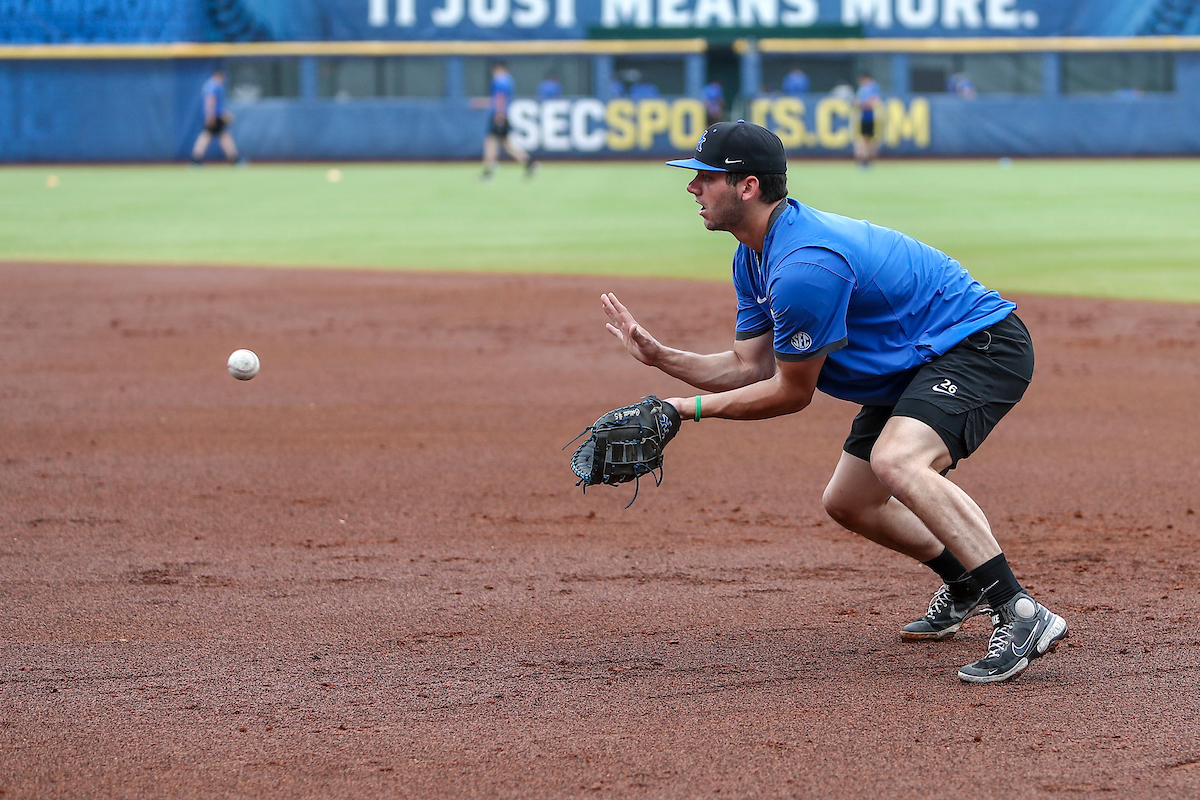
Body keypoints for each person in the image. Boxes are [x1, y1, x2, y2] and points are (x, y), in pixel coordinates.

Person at [600, 121, 1068, 684]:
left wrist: (685, 409)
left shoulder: (803, 268)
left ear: (747, 187)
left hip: (976, 346)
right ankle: (964, 579)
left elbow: (790, 393)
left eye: (705, 177)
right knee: (849, 500)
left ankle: (1020, 611)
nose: (693, 188)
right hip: (913, 364)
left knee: (898, 461)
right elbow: (751, 365)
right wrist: (661, 358)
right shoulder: (753, 256)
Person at [480, 61, 537, 182]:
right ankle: (529, 162)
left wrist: (499, 115)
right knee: (507, 145)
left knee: (490, 143)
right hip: (504, 115)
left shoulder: (499, 80)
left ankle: (488, 173)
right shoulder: (508, 80)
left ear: (498, 69)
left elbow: (500, 98)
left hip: (499, 116)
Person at [190, 69, 243, 166]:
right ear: (218, 75)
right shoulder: (214, 85)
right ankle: (196, 159)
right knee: (210, 136)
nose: (224, 80)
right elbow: (210, 100)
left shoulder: (209, 85)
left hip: (215, 115)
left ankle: (196, 159)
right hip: (215, 116)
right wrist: (210, 116)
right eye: (223, 77)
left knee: (221, 136)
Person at [853, 72, 882, 168]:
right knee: (865, 139)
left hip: (871, 116)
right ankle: (865, 159)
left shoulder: (872, 87)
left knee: (868, 139)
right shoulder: (864, 88)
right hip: (864, 116)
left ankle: (867, 159)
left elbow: (874, 102)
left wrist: (861, 104)